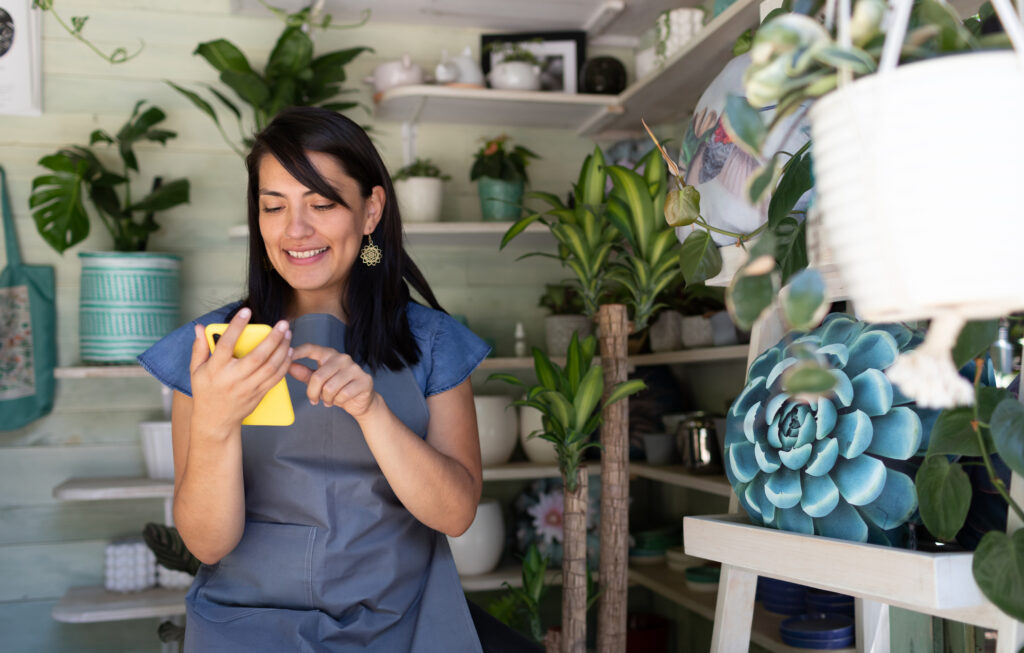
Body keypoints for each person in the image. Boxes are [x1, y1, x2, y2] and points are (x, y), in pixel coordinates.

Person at [139, 107, 537, 651]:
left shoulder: (434, 342)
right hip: (247, 627)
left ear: (371, 210)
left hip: (403, 625)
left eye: (322, 204)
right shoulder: (213, 349)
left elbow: (455, 513)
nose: (295, 230)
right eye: (273, 206)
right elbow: (208, 544)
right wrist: (211, 424)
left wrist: (373, 411)